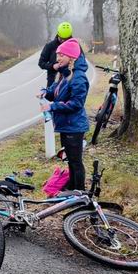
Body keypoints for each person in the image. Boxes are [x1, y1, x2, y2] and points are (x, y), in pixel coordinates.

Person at [39, 37, 89, 191]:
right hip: (67, 126)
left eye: (62, 55)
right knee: (70, 160)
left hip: (74, 126)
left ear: (72, 57)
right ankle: (71, 188)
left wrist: (52, 106)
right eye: (58, 54)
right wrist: (45, 93)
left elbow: (76, 104)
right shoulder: (65, 74)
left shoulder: (78, 78)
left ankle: (79, 192)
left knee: (75, 161)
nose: (58, 58)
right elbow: (55, 92)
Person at [38, 21, 74, 89]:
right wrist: (52, 66)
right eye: (61, 38)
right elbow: (41, 63)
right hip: (52, 82)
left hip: (69, 82)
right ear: (58, 34)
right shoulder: (50, 46)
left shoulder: (75, 46)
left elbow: (81, 61)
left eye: (66, 39)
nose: (63, 41)